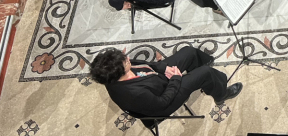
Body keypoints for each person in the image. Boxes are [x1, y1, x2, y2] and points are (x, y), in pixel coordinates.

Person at [90, 46, 241, 118]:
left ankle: (203, 73)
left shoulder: (118, 68)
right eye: (125, 62)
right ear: (119, 73)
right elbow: (162, 102)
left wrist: (163, 69)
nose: (128, 58)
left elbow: (149, 66)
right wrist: (175, 79)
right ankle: (221, 94)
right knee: (205, 73)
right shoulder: (133, 93)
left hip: (159, 79)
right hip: (164, 99)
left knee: (188, 52)